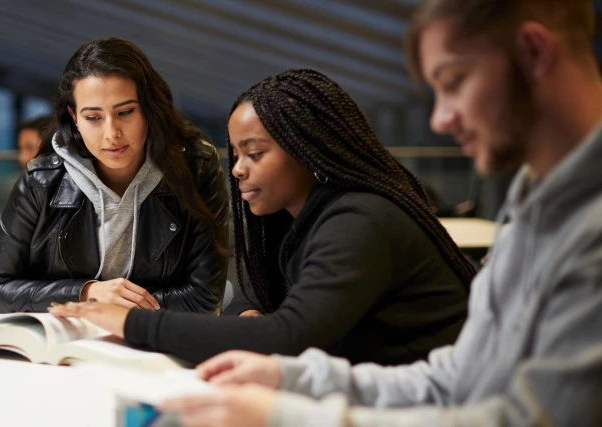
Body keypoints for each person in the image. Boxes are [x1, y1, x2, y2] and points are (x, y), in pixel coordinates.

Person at [157, 1, 602, 425]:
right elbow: (452, 379)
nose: (440, 119)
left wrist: (285, 413)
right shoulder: (535, 207)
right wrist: (287, 378)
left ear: (535, 51)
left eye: (454, 81)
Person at [49, 69, 473, 366]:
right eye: (236, 155)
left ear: (308, 148)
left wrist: (133, 323)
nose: (237, 169)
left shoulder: (358, 221)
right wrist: (250, 317)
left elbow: (286, 338)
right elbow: (262, 308)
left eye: (254, 154)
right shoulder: (300, 221)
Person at [0, 37, 230, 317]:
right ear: (74, 117)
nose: (112, 134)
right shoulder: (42, 179)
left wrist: (116, 315)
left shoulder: (196, 167)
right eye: (93, 117)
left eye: (125, 112)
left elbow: (203, 299)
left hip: (157, 343)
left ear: (149, 108)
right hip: (67, 345)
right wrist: (86, 293)